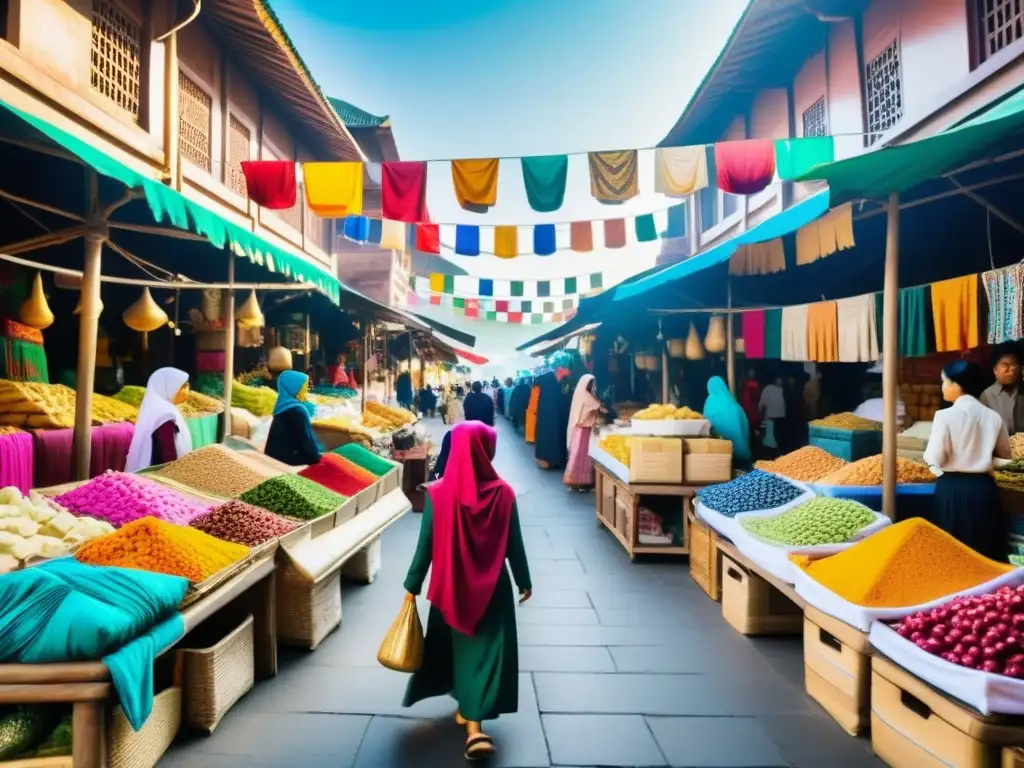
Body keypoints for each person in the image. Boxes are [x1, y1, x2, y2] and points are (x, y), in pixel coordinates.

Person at [402, 422, 532, 760]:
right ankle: (475, 731)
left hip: (450, 587)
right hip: (493, 592)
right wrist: (524, 580)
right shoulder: (503, 494)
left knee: (459, 647)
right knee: (485, 653)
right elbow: (513, 545)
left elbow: (425, 547)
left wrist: (411, 586)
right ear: (485, 451)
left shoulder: (436, 493)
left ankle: (468, 709)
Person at [923, 360, 1010, 560]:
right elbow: (1005, 456)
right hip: (984, 490)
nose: (942, 387)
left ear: (957, 385)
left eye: (944, 382)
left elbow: (934, 457)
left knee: (952, 554)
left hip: (952, 489)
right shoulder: (993, 417)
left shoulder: (944, 416)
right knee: (984, 553)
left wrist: (934, 468)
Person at [125, 367, 193, 472]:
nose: (186, 390)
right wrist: (174, 474)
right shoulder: (165, 415)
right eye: (182, 387)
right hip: (159, 474)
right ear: (167, 388)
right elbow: (168, 455)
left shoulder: (160, 410)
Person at [264, 370, 322, 466]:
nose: (305, 391)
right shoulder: (297, 411)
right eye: (303, 387)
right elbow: (308, 445)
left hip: (274, 457)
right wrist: (320, 460)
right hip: (288, 460)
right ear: (294, 387)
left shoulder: (281, 406)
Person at [563, 374, 604, 490]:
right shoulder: (587, 396)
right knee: (582, 458)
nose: (592, 385)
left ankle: (574, 483)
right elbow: (599, 407)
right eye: (591, 383)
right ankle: (581, 483)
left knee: (576, 457)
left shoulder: (579, 394)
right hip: (584, 431)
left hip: (577, 430)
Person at [703, 376, 752, 463]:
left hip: (722, 453)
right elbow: (744, 425)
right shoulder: (733, 402)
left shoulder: (711, 402)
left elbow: (706, 424)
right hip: (742, 454)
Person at [981, 342, 1024, 436]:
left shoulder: (1022, 391)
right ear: (995, 370)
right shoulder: (987, 396)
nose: (1010, 371)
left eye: (1014, 365)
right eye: (1005, 365)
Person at [534, 371, 570, 469]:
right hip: (561, 412)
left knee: (547, 434)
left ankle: (547, 460)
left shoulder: (544, 379)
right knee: (560, 434)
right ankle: (560, 460)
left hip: (546, 413)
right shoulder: (566, 378)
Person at [758, 376, 786, 451]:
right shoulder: (768, 388)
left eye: (781, 379)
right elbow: (763, 403)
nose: (780, 381)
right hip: (771, 416)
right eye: (778, 379)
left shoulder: (783, 389)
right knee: (770, 433)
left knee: (777, 434)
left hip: (781, 416)